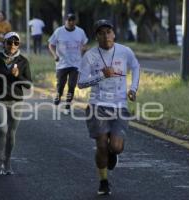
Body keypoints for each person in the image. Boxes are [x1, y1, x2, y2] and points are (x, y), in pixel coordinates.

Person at [77, 19, 140, 195]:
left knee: (117, 147)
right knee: (102, 145)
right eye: (101, 33)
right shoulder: (90, 56)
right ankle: (103, 181)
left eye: (108, 32)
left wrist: (133, 88)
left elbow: (136, 66)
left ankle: (113, 154)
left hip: (120, 105)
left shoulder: (124, 51)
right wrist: (100, 76)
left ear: (114, 33)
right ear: (96, 36)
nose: (106, 36)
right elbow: (80, 83)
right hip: (98, 105)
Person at [0, 32, 32, 175]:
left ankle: (8, 161)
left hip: (16, 100)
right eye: (9, 42)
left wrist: (18, 76)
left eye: (16, 43)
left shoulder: (23, 61)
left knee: (11, 132)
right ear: (4, 43)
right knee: (3, 130)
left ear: (19, 45)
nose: (12, 45)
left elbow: (28, 85)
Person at [48, 13, 88, 115]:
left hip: (75, 63)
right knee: (61, 85)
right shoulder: (59, 31)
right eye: (69, 20)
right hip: (62, 63)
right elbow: (51, 45)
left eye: (73, 20)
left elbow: (84, 44)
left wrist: (83, 49)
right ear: (65, 20)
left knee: (71, 85)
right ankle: (58, 95)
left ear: (75, 21)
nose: (71, 22)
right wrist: (54, 55)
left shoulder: (80, 32)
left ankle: (67, 106)